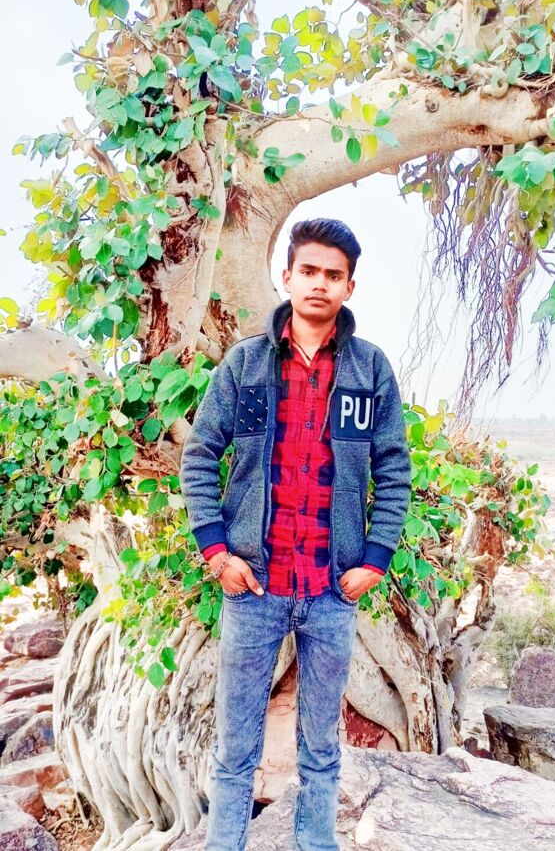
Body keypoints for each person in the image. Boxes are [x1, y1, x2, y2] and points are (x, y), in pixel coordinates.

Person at [179, 218, 411, 851]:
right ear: (287, 276)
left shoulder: (369, 368)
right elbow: (200, 457)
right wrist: (217, 552)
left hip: (331, 590)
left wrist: (374, 559)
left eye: (333, 275)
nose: (319, 283)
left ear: (349, 287)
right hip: (254, 587)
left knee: (321, 748)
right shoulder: (246, 363)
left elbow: (393, 470)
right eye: (308, 270)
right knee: (235, 749)